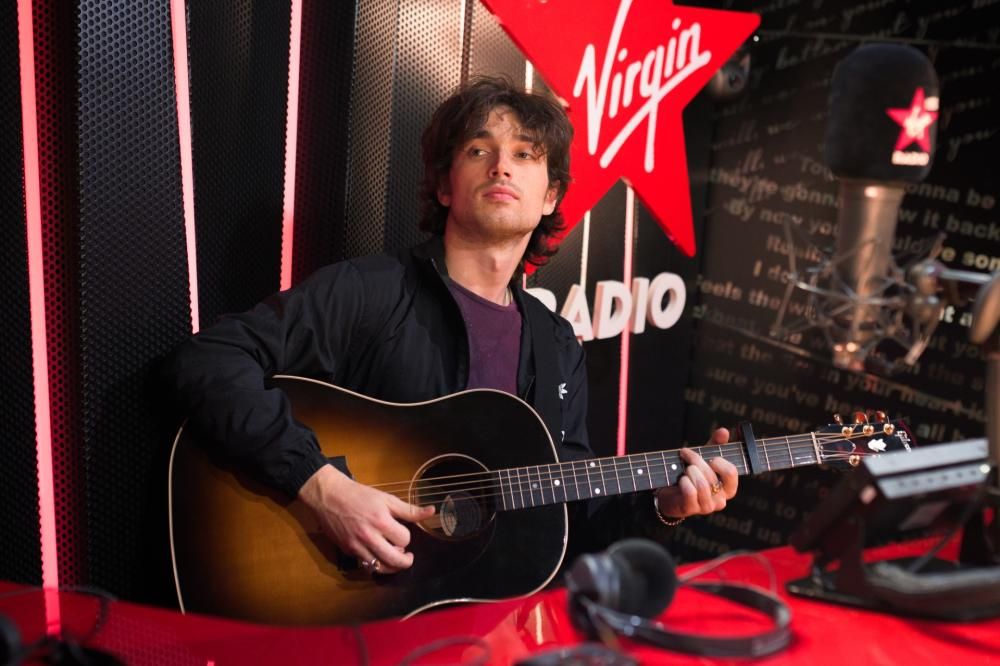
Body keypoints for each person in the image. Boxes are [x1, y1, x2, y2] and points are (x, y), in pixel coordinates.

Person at [165, 76, 737, 580]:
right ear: (445, 186)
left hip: (472, 626)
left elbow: (569, 519)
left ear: (550, 197)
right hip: (337, 609)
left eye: (524, 154)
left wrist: (664, 506)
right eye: (478, 150)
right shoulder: (371, 290)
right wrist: (322, 486)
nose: (501, 166)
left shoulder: (557, 345)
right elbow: (208, 361)